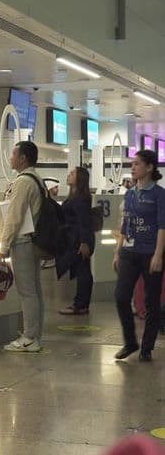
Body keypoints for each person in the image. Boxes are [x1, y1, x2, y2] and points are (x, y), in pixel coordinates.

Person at [113, 150, 165, 362]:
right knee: (121, 296)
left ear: (150, 167)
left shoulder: (159, 194)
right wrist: (118, 251)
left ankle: (146, 347)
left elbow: (163, 226)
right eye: (131, 164)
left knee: (151, 302)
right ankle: (130, 342)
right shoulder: (130, 194)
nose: (132, 168)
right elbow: (126, 225)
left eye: (137, 164)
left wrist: (158, 255)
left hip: (150, 252)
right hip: (129, 253)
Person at [0, 141, 44, 352]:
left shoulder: (23, 182)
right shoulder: (36, 178)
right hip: (33, 241)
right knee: (34, 290)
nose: (10, 158)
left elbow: (14, 217)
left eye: (13, 154)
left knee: (27, 291)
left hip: (23, 241)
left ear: (23, 158)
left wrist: (4, 246)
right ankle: (34, 334)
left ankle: (29, 337)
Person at [58, 167, 95, 315]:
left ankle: (80, 304)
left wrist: (84, 242)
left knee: (83, 271)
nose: (68, 175)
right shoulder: (76, 196)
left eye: (72, 173)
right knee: (82, 270)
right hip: (76, 239)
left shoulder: (79, 198)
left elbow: (84, 221)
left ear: (79, 178)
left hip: (79, 240)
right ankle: (81, 303)